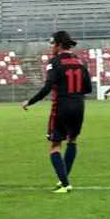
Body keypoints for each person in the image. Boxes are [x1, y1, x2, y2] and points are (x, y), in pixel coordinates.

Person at [22, 31, 92, 194]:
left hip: (61, 107)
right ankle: (63, 180)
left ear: (59, 45)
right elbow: (88, 88)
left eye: (52, 44)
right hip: (79, 106)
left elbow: (47, 87)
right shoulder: (81, 62)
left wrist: (29, 101)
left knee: (55, 146)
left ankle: (65, 184)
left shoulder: (54, 62)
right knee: (72, 141)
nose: (51, 47)